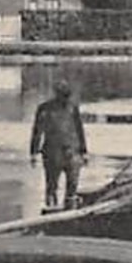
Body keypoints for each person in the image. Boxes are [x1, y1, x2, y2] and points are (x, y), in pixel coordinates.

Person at [29, 80, 88, 209]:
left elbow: (79, 129)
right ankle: (51, 209)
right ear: (57, 94)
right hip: (52, 152)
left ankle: (70, 210)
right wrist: (33, 152)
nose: (65, 98)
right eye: (63, 94)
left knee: (72, 185)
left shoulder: (72, 108)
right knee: (51, 185)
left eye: (67, 95)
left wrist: (84, 151)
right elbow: (37, 131)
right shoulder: (45, 109)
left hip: (72, 152)